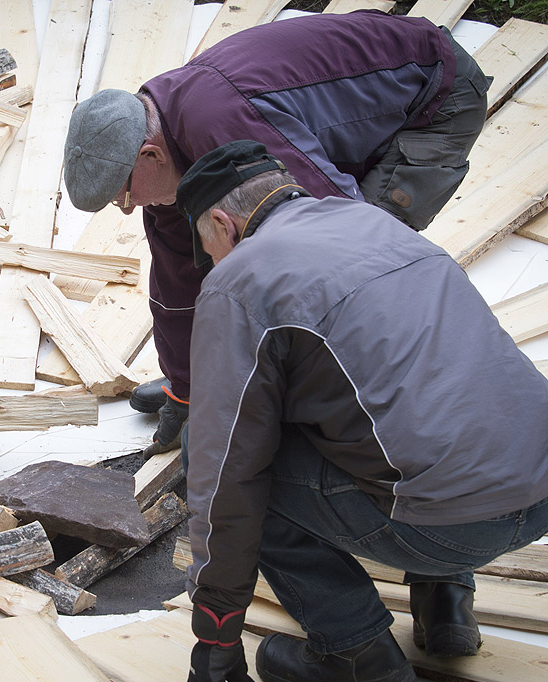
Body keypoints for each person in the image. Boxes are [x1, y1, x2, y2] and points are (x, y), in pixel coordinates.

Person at [172, 139, 548, 682]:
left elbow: (227, 473)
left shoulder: (241, 279)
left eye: (210, 248)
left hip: (454, 527)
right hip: (539, 492)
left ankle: (356, 652)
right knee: (403, 398)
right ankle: (444, 605)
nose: (215, 263)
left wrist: (216, 632)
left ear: (222, 224)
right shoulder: (372, 222)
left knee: (217, 455)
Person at [62, 10, 492, 457]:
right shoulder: (162, 156)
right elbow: (180, 284)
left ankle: (400, 408)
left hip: (433, 94)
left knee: (363, 259)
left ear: (150, 155)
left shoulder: (223, 122)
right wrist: (190, 388)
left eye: (124, 196)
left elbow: (337, 232)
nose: (127, 208)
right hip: (350, 109)